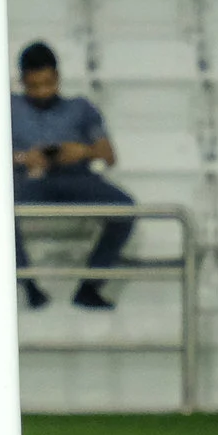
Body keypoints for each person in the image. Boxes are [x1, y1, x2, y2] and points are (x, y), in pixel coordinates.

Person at [12, 42, 136, 311]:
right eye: (34, 86)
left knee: (125, 208)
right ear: (22, 81)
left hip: (77, 178)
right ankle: (28, 286)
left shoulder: (80, 108)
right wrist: (24, 157)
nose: (42, 92)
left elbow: (109, 155)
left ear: (57, 77)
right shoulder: (7, 108)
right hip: (29, 181)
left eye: (47, 83)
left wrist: (83, 151)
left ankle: (90, 286)